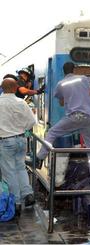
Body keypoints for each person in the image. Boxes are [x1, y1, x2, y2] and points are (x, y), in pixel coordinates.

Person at [35, 62, 90, 178]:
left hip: (74, 117)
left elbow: (61, 103)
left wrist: (69, 96)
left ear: (63, 71)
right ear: (74, 70)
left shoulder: (60, 84)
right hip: (89, 118)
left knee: (52, 133)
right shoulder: (84, 79)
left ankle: (39, 159)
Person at [0, 78, 36, 215]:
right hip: (21, 140)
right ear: (15, 88)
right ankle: (28, 194)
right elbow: (32, 121)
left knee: (9, 172)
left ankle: (16, 202)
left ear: (2, 88)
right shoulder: (21, 102)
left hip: (5, 141)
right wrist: (21, 130)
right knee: (21, 167)